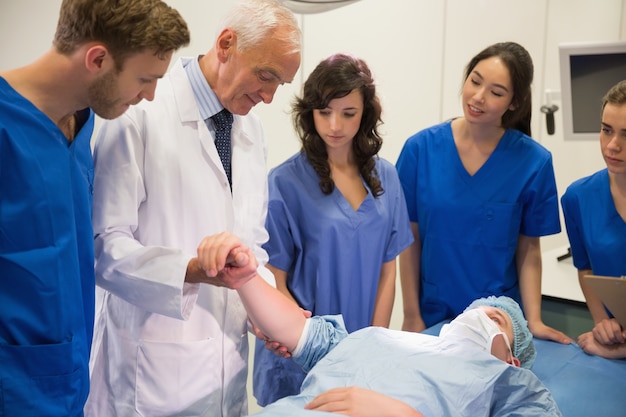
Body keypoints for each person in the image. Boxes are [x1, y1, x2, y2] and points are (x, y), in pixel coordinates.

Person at [84, 0, 301, 416]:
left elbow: (251, 245)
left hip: (225, 374)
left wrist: (268, 313)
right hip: (148, 378)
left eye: (281, 84)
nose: (270, 97)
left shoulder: (251, 129)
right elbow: (102, 248)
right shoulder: (140, 111)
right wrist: (191, 271)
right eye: (266, 76)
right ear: (226, 44)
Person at [0, 1, 189, 415]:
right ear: (98, 58)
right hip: (14, 388)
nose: (150, 96)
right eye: (144, 79)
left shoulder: (81, 123)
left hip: (68, 383)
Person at [194, 235, 561, 416]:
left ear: (511, 358)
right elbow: (296, 329)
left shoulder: (509, 383)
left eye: (495, 318)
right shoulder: (377, 338)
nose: (478, 315)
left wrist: (403, 414)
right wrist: (244, 278)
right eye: (472, 310)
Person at [253, 53, 414, 405]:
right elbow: (274, 282)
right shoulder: (284, 183)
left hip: (363, 350)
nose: (335, 125)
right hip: (299, 356)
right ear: (310, 112)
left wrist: (373, 344)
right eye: (324, 112)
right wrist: (311, 346)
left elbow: (388, 271)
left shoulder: (385, 177)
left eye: (348, 113)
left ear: (366, 114)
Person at [395, 41, 572, 345]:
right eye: (475, 81)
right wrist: (411, 313)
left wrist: (535, 321)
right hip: (435, 318)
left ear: (514, 103)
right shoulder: (420, 150)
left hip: (497, 325)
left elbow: (529, 250)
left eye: (496, 92)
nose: (478, 97)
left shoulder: (533, 162)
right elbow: (408, 239)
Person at [561, 79, 626, 360]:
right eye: (606, 130)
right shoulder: (578, 197)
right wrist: (603, 325)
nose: (613, 145)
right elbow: (586, 269)